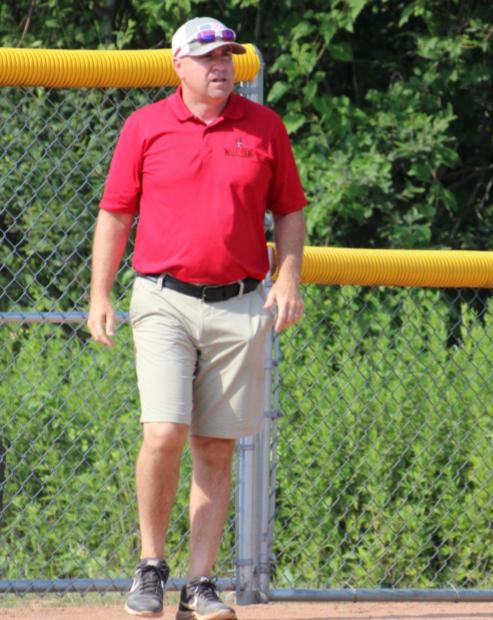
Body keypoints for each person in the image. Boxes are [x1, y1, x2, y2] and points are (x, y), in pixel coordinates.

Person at [87, 16, 307, 620]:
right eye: (208, 56)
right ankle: (150, 566)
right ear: (178, 64)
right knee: (164, 431)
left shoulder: (264, 127)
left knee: (215, 448)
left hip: (240, 302)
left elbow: (289, 211)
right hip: (163, 298)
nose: (222, 66)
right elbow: (115, 213)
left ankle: (200, 584)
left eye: (229, 56)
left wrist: (287, 276)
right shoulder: (146, 126)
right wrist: (99, 295)